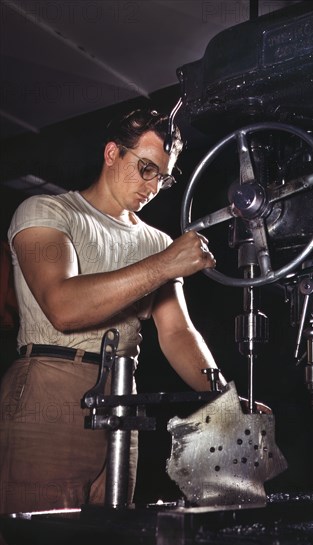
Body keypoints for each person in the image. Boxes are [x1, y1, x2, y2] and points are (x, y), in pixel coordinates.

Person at [0, 106, 228, 516]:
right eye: (145, 168)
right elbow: (63, 307)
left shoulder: (158, 242)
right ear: (111, 154)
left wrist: (225, 400)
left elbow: (177, 333)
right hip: (50, 387)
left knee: (112, 532)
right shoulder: (47, 212)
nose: (154, 186)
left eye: (164, 176)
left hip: (123, 397)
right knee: (40, 537)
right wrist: (165, 265)